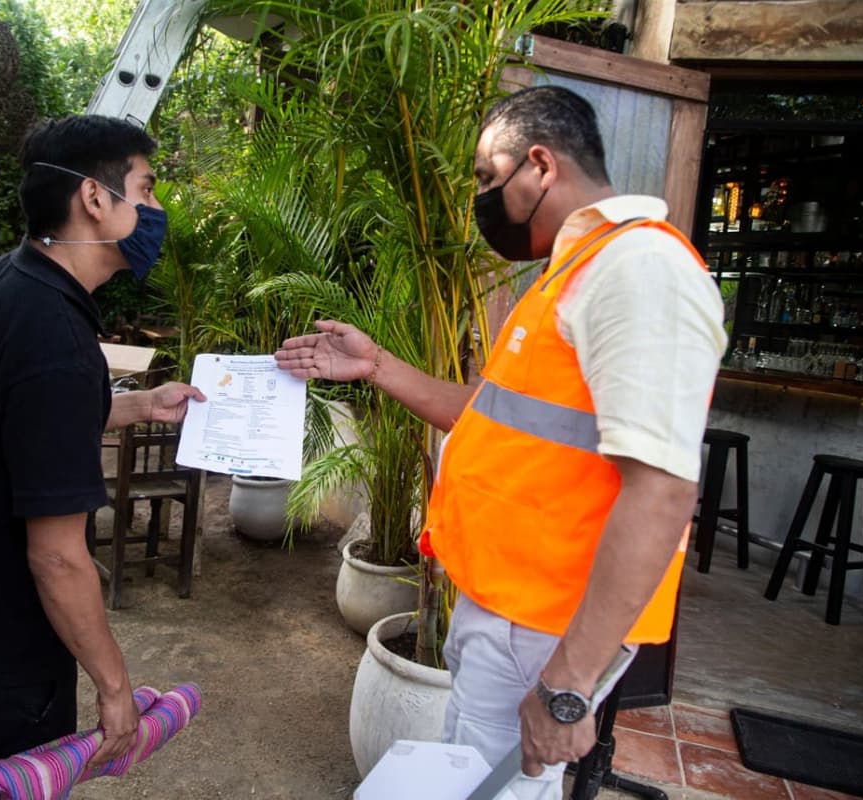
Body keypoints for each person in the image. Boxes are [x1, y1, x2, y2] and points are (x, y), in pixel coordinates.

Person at [276, 86, 725, 797]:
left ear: (540, 165)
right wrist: (375, 365)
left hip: (544, 625)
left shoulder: (638, 271)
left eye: (488, 179)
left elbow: (663, 489)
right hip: (506, 611)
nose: (482, 200)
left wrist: (568, 687)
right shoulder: (567, 275)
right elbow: (487, 415)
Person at [0, 114, 204, 799]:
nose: (156, 209)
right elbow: (55, 555)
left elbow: (17, 423)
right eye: (145, 188)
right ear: (93, 198)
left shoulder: (1, 283)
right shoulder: (53, 334)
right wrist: (114, 687)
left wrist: (141, 405)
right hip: (5, 651)